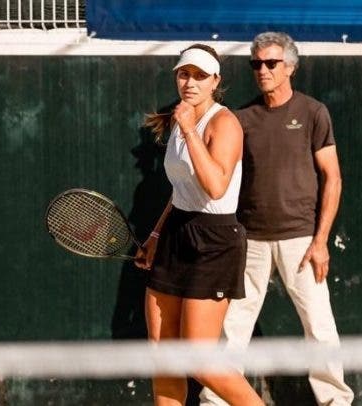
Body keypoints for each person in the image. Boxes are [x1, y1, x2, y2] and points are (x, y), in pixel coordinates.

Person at [199, 32, 355, 405]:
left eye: (271, 63)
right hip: (249, 240)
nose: (263, 70)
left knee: (319, 326)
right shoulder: (241, 118)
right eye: (256, 64)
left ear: (290, 68)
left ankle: (336, 401)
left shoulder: (313, 112)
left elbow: (332, 177)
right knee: (232, 327)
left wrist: (320, 242)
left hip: (301, 241)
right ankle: (215, 401)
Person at [135, 44, 265, 406]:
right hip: (176, 233)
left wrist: (191, 130)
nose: (190, 82)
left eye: (199, 76)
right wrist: (157, 235)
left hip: (215, 241)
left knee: (199, 359)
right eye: (184, 74)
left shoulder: (224, 123)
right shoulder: (180, 119)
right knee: (164, 359)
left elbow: (215, 186)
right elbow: (180, 191)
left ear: (215, 81)